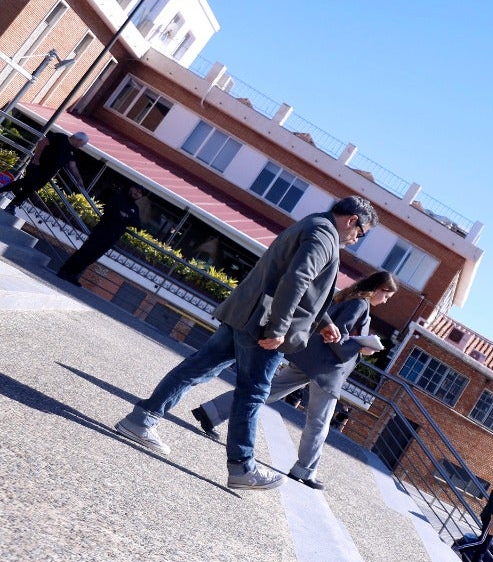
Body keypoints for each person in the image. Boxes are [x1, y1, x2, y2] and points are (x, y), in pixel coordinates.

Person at [114, 196, 377, 490]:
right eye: (360, 233)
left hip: (247, 314)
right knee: (253, 392)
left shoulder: (312, 224)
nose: (356, 240)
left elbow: (298, 281)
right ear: (353, 220)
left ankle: (141, 419)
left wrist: (324, 321)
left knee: (198, 367)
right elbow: (297, 279)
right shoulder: (325, 235)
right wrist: (278, 327)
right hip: (264, 325)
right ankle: (241, 467)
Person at [188, 271, 398, 489]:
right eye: (386, 296)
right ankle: (304, 471)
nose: (385, 301)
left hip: (309, 360)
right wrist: (361, 347)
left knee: (265, 392)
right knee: (319, 422)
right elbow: (339, 339)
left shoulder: (348, 298)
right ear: (379, 289)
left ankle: (211, 412)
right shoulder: (360, 305)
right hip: (327, 369)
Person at [55, 182, 145, 286]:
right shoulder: (119, 198)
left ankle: (73, 274)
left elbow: (137, 224)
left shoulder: (135, 208)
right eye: (136, 190)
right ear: (131, 188)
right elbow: (111, 212)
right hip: (102, 231)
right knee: (85, 252)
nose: (137, 193)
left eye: (140, 193)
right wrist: (126, 218)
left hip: (112, 237)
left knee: (92, 257)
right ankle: (65, 271)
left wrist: (125, 216)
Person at [0, 130, 88, 210]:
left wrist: (79, 179)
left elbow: (73, 166)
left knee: (30, 188)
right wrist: (36, 159)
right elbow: (42, 143)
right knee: (28, 182)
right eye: (82, 144)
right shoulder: (60, 137)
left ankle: (13, 204)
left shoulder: (72, 151)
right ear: (79, 140)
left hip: (47, 174)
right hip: (37, 166)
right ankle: (3, 191)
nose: (81, 146)